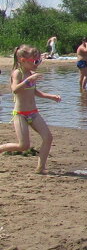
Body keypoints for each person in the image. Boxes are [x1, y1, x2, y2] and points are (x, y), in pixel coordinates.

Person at [0, 45, 61, 174]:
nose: (37, 64)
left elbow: (33, 91)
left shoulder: (31, 74)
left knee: (48, 138)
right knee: (24, 146)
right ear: (22, 60)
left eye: (39, 61)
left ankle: (41, 168)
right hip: (20, 114)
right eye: (35, 61)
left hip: (33, 113)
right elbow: (15, 89)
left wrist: (49, 96)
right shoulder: (18, 73)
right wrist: (28, 80)